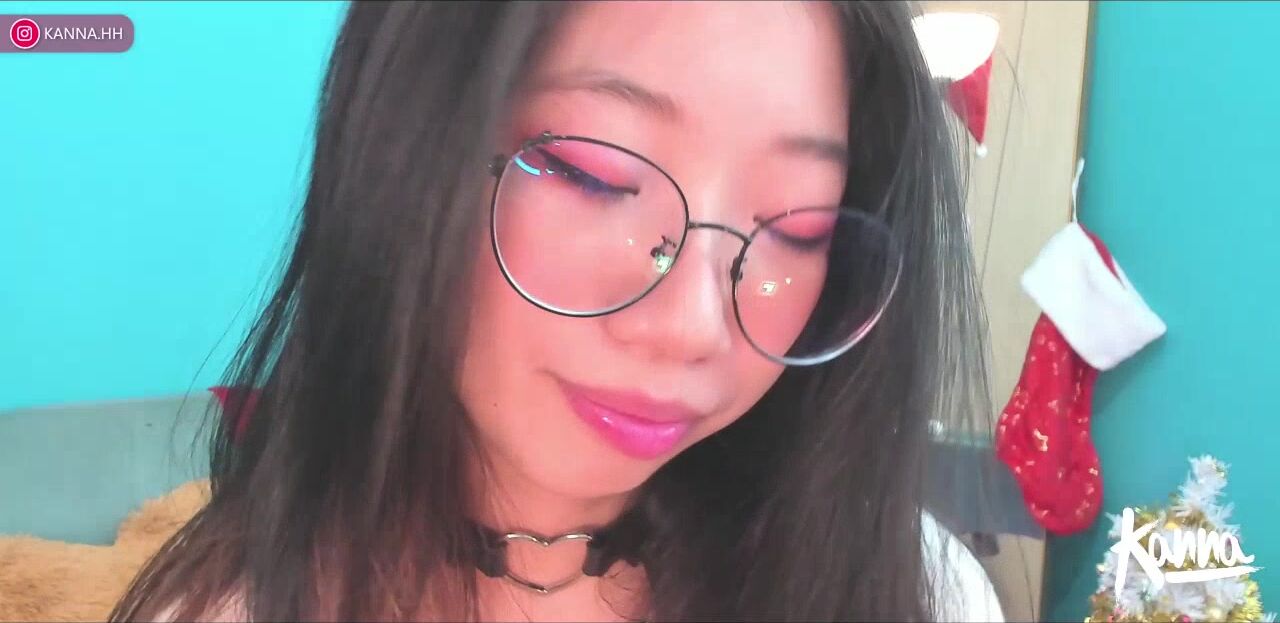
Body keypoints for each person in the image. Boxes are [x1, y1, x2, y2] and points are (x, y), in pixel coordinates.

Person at [111, 1, 1004, 621]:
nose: (693, 327)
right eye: (594, 175)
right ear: (404, 151)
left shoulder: (919, 593)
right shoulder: (232, 606)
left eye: (799, 228)